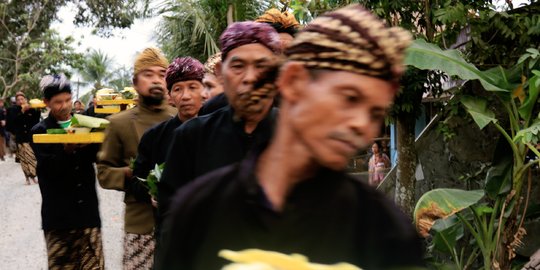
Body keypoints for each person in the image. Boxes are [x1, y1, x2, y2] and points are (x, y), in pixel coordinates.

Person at [156, 5, 422, 270]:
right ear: (293, 81)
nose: (361, 125)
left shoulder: (380, 226)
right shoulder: (200, 208)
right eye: (349, 97)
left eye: (375, 112)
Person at [157, 21, 281, 230]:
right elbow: (171, 217)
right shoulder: (191, 137)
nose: (250, 78)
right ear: (221, 73)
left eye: (261, 66)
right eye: (238, 66)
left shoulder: (298, 136)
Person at [96, 47, 174, 270]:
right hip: (140, 223)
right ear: (135, 82)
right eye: (148, 75)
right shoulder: (119, 123)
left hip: (178, 223)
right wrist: (136, 173)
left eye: (162, 74)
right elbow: (104, 172)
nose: (157, 80)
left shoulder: (181, 118)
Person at [30, 74, 104, 269]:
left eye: (68, 100)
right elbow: (48, 170)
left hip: (88, 216)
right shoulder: (39, 131)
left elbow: (99, 156)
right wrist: (67, 149)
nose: (64, 106)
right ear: (46, 102)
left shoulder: (85, 125)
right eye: (58, 102)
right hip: (58, 221)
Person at [132, 56, 206, 204]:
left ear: (205, 92)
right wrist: (151, 195)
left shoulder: (221, 130)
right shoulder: (154, 137)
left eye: (192, 87)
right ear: (170, 97)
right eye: (178, 89)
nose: (185, 96)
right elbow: (137, 181)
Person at [11, 92, 40, 184]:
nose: (20, 101)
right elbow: (12, 124)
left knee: (32, 158)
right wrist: (21, 112)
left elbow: (36, 121)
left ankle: (33, 176)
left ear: (25, 100)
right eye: (18, 100)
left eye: (22, 99)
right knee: (23, 160)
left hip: (30, 138)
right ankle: (27, 178)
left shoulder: (31, 109)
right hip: (20, 139)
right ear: (16, 102)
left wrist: (37, 110)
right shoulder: (13, 110)